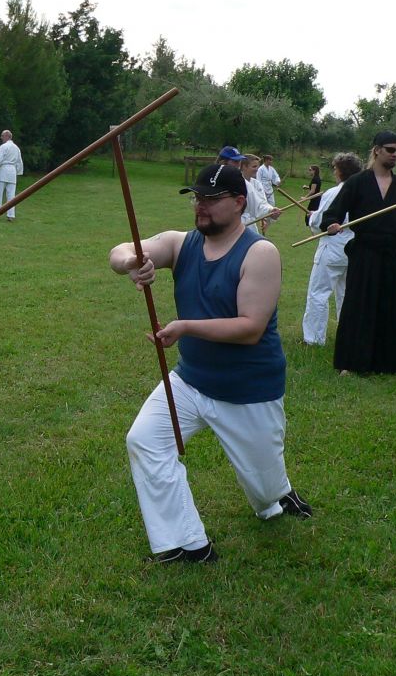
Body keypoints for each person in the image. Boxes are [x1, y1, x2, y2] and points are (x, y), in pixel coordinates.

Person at [109, 164, 311, 564]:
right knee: (144, 440)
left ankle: (279, 493)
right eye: (197, 198)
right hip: (191, 380)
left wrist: (185, 326)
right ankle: (186, 544)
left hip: (248, 390)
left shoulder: (260, 253)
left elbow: (250, 328)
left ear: (239, 203)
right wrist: (134, 261)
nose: (201, 206)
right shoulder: (179, 243)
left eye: (212, 199)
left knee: (266, 491)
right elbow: (118, 252)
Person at [320, 131, 396, 374]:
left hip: (392, 254)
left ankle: (388, 363)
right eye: (390, 150)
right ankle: (352, 363)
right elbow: (333, 213)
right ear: (376, 150)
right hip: (364, 252)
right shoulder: (357, 182)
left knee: (389, 307)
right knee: (359, 306)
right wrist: (331, 224)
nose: (395, 155)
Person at [302, 153, 361, 346]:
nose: (334, 172)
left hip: (332, 248)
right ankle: (349, 336)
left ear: (341, 171)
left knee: (318, 293)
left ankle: (313, 339)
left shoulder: (334, 193)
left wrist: (311, 216)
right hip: (354, 249)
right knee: (347, 294)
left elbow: (320, 223)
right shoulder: (364, 193)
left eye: (335, 169)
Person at [240, 153, 281, 233]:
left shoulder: (257, 184)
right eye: (254, 166)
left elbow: (261, 203)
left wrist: (271, 211)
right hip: (237, 223)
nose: (257, 169)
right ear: (244, 166)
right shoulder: (235, 182)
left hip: (251, 223)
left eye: (257, 167)